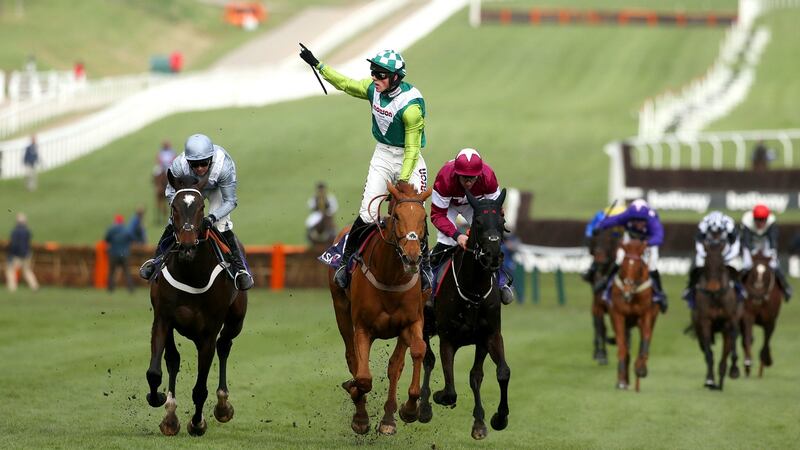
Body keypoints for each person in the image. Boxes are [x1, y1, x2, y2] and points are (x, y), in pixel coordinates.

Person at [299, 45, 431, 290]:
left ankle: (427, 269)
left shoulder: (411, 107)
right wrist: (318, 65)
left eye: (380, 74)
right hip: (382, 154)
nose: (374, 77)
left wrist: (401, 184)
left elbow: (412, 149)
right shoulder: (373, 90)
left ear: (395, 77)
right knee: (367, 214)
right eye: (373, 72)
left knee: (414, 212)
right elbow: (347, 84)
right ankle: (345, 261)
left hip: (408, 158)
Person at [138, 134, 254, 290]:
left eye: (203, 163)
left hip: (216, 190)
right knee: (174, 222)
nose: (199, 168)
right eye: (194, 164)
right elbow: (170, 193)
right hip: (189, 190)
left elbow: (230, 201)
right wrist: (182, 212)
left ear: (211, 159)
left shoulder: (224, 166)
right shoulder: (179, 165)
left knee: (221, 224)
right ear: (188, 161)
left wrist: (212, 218)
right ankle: (156, 261)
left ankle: (240, 269)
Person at [429, 148, 515, 305]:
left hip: (474, 205)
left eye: (472, 178)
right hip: (449, 207)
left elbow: (495, 212)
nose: (468, 182)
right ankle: (429, 284)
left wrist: (489, 230)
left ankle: (501, 282)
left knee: (490, 238)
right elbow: (437, 215)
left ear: (480, 174)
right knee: (447, 242)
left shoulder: (488, 176)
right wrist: (457, 235)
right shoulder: (445, 177)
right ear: (456, 173)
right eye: (464, 178)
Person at [595, 199, 668, 313]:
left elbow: (659, 237)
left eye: (641, 221)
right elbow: (613, 220)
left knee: (652, 265)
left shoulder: (652, 219)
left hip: (647, 242)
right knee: (619, 259)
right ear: (630, 217)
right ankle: (606, 285)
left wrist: (646, 244)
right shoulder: (627, 215)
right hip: (631, 239)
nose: (638, 224)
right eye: (635, 221)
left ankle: (659, 294)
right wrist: (600, 225)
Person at [682, 210, 742, 306]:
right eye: (713, 233)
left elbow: (735, 246)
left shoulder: (730, 227)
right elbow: (698, 245)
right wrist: (706, 257)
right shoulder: (703, 225)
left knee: (736, 267)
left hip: (725, 252)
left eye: (718, 232)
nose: (715, 235)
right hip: (708, 253)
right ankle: (690, 289)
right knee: (696, 267)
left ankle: (740, 289)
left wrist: (725, 258)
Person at [740, 204, 792, 301]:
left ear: (767, 218)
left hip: (765, 243)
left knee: (774, 264)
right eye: (758, 219)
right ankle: (739, 288)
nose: (761, 222)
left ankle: (786, 288)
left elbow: (773, 239)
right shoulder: (747, 220)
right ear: (754, 218)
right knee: (746, 265)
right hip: (751, 244)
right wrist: (754, 253)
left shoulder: (771, 221)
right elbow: (746, 240)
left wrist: (772, 252)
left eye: (763, 219)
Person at [581, 205, 625, 285]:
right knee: (600, 249)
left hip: (615, 241)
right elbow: (590, 229)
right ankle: (592, 269)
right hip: (595, 238)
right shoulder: (600, 216)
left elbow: (620, 234)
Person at [5, 213, 39, 292]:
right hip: (27, 254)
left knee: (11, 271)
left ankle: (12, 288)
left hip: (16, 255)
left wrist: (10, 253)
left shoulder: (15, 231)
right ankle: (35, 286)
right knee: (27, 271)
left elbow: (14, 244)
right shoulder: (27, 231)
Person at [105, 214, 135, 293]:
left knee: (112, 272)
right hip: (124, 254)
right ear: (122, 222)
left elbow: (106, 240)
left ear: (115, 221)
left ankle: (110, 288)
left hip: (113, 253)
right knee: (127, 272)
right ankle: (130, 289)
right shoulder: (126, 230)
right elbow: (132, 239)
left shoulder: (111, 230)